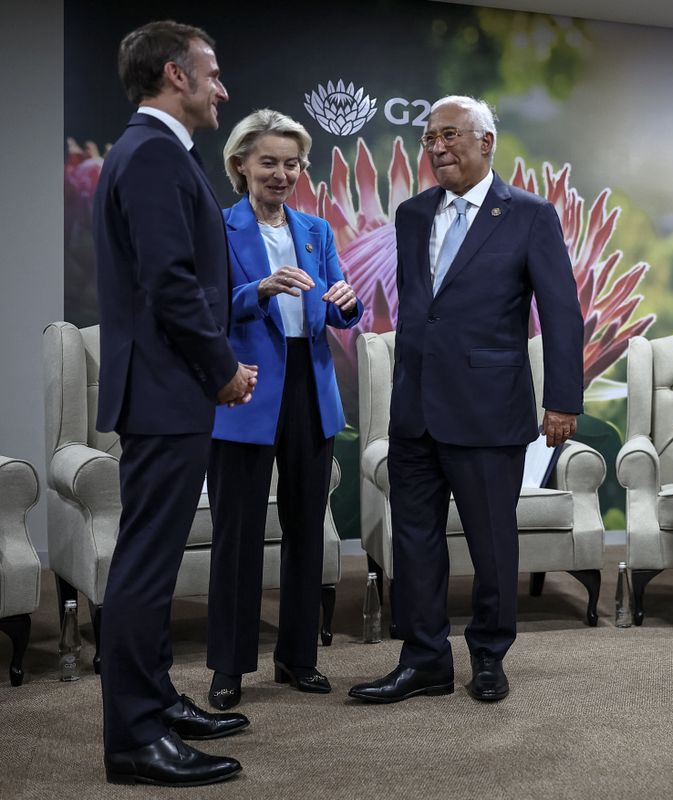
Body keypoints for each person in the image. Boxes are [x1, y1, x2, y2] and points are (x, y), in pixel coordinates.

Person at [349, 95, 583, 704]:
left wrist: (562, 400)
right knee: (415, 540)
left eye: (449, 135)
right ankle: (424, 658)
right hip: (416, 410)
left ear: (486, 143)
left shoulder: (530, 215)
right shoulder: (411, 214)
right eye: (429, 140)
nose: (437, 148)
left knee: (491, 544)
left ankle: (488, 655)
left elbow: (561, 314)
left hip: (489, 409)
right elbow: (422, 312)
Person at [92, 20, 257, 786]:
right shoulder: (154, 153)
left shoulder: (152, 151)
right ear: (174, 76)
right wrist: (221, 368)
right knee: (147, 567)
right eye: (212, 73)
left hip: (164, 388)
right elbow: (171, 281)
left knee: (148, 560)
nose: (223, 88)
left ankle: (155, 699)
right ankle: (134, 738)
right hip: (167, 389)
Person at [205, 109, 362, 711]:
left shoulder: (317, 230)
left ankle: (298, 658)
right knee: (237, 537)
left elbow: (343, 308)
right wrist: (258, 291)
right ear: (240, 165)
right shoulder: (218, 228)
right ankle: (229, 666)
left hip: (310, 387)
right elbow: (205, 308)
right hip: (244, 390)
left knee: (306, 530)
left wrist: (346, 303)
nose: (281, 173)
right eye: (268, 161)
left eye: (291, 163)